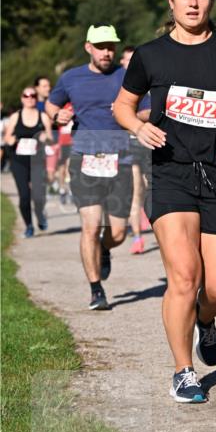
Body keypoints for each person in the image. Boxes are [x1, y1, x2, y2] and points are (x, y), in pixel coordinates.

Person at [113, 0, 216, 404]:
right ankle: (183, 370)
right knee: (184, 275)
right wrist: (137, 129)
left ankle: (205, 318)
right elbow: (123, 106)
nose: (194, 2)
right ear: (171, 1)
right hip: (172, 173)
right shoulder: (150, 54)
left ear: (211, 2)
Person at [46, 25, 138, 311]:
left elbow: (147, 109)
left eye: (111, 46)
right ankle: (96, 290)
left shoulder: (128, 77)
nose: (107, 52)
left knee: (119, 232)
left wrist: (130, 112)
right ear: (89, 47)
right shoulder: (71, 77)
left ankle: (106, 249)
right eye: (101, 46)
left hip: (120, 159)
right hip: (85, 158)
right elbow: (50, 105)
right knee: (91, 225)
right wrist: (57, 114)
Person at [4, 87, 53, 236]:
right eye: (26, 95)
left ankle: (40, 215)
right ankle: (29, 226)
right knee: (24, 196)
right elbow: (6, 137)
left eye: (32, 95)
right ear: (22, 98)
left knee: (38, 195)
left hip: (37, 160)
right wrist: (11, 139)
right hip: (18, 161)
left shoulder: (42, 116)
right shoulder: (15, 117)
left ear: (36, 98)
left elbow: (51, 138)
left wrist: (46, 137)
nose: (29, 98)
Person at [120, 44, 150, 254]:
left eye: (134, 59)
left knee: (148, 188)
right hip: (127, 144)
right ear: (122, 63)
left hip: (147, 142)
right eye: (127, 60)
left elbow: (151, 111)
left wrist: (127, 116)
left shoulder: (146, 82)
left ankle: (147, 218)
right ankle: (137, 237)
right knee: (135, 190)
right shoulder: (116, 84)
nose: (131, 64)